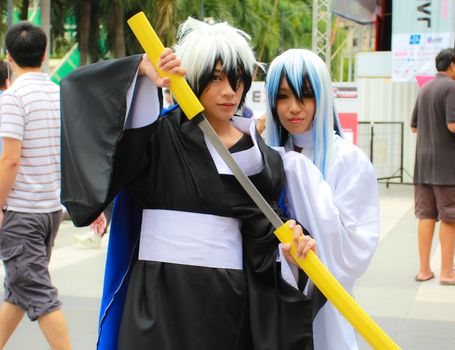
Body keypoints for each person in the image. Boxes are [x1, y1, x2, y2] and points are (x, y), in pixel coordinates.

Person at [61, 18, 321, 350]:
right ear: (193, 77)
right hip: (158, 300)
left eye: (237, 78)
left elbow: (265, 238)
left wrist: (292, 250)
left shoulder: (264, 157)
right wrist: (142, 69)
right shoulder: (155, 137)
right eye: (215, 77)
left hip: (229, 305)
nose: (230, 91)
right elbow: (91, 105)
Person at [264, 48, 380, 350]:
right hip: (273, 297)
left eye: (306, 95)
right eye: (283, 96)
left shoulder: (348, 160)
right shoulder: (267, 158)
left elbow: (357, 246)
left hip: (328, 303)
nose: (294, 108)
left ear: (323, 96)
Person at [0, 22, 71, 350]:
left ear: (8, 56)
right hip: (50, 211)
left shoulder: (13, 98)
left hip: (22, 212)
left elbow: (10, 160)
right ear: (44, 55)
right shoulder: (61, 94)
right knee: (19, 289)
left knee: (39, 294)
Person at [410, 48, 455, 286]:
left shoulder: (426, 89)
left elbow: (414, 127)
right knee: (450, 217)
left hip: (423, 166)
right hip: (449, 167)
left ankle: (424, 270)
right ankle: (448, 273)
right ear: (452, 64)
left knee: (426, 216)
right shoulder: (453, 87)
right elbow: (453, 125)